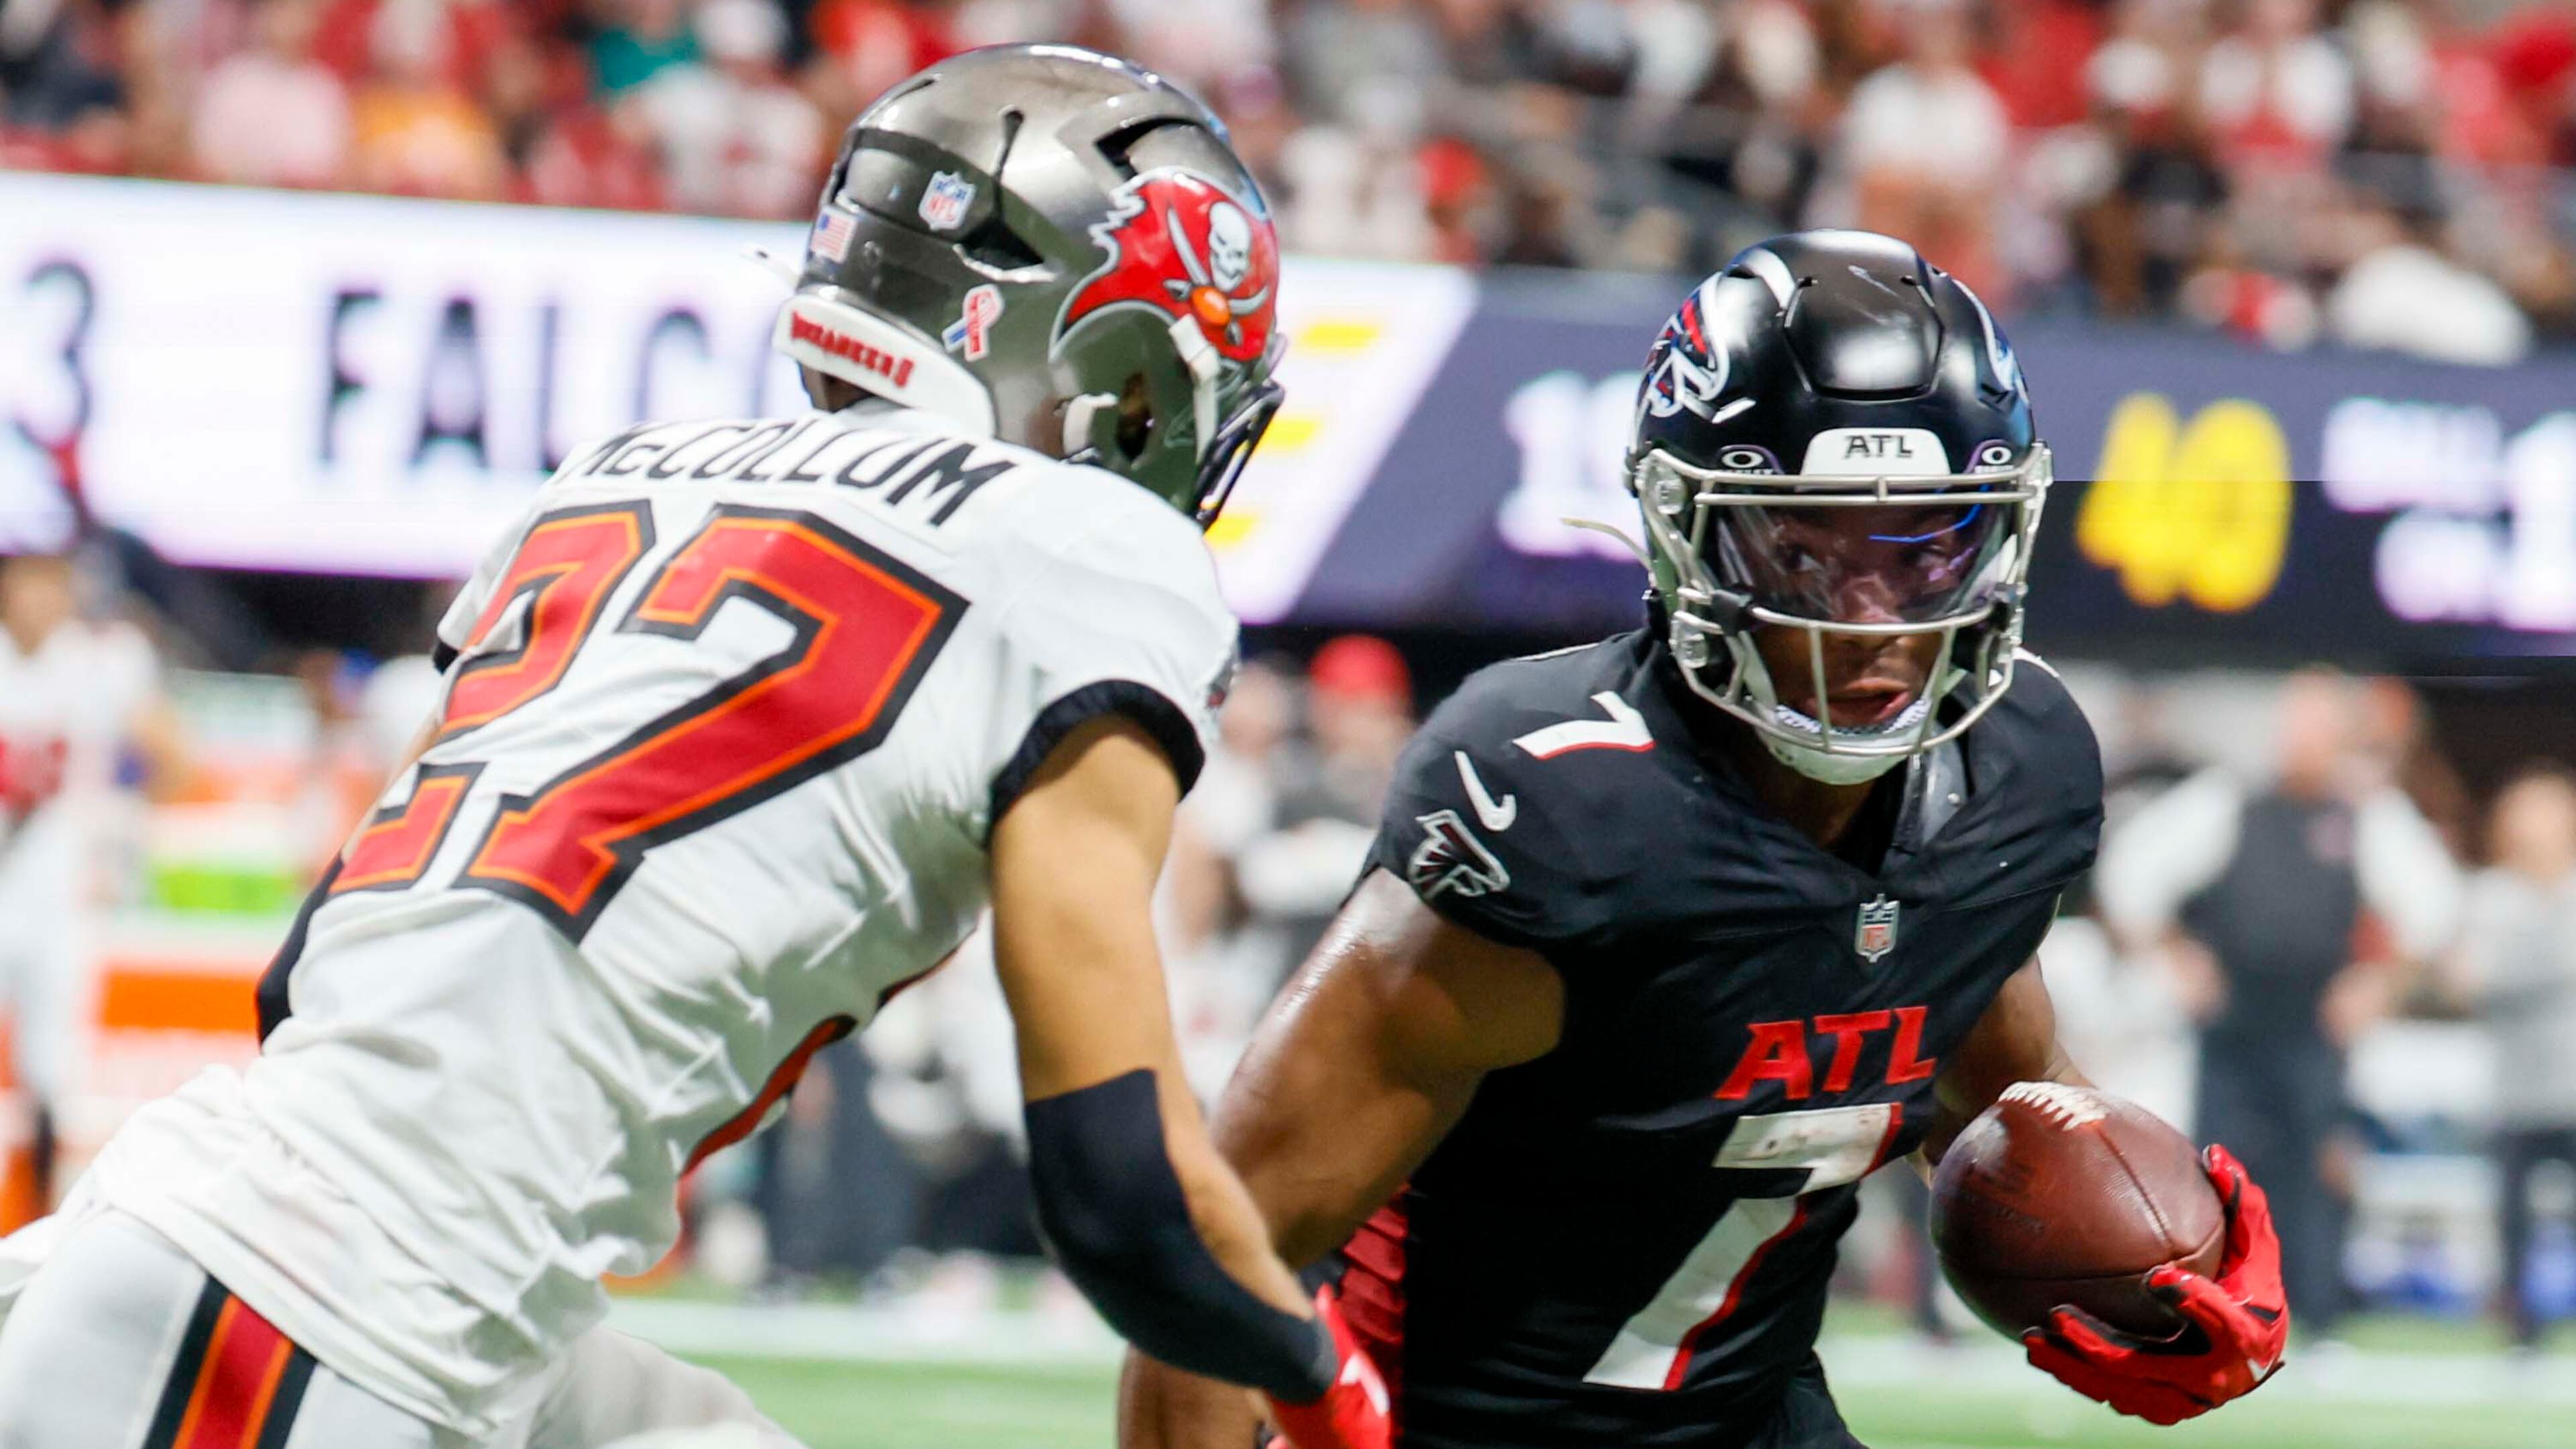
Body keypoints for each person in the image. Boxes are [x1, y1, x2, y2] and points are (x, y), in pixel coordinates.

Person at [0, 46, 1390, 1449]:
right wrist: (1337, 1391)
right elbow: (1122, 1190)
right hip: (303, 1315)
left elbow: (309, 976)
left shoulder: (620, 473)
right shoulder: (1091, 559)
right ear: (1103, 355)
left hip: (269, 1261)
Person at [1120, 231, 2289, 1449]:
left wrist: (2156, 1269)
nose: (1872, 621)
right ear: (1686, 533)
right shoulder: (1572, 816)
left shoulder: (2012, 774)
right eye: (1806, 550)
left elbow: (1994, 1086)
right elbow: (1218, 1249)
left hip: (1747, 1412)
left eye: (1926, 544)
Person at [2096, 669, 2458, 1338]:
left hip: (2316, 1026)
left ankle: (2313, 1321)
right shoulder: (2228, 801)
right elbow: (2131, 876)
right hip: (2233, 1021)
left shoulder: (2366, 814)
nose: (2300, 742)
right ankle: (2210, 1318)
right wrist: (2174, 956)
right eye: (2293, 726)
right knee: (2220, 1178)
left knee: (2316, 1174)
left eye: (2317, 728)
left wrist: (2379, 982)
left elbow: (2432, 907)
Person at [2448, 765, 2576, 1350]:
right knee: (2513, 1218)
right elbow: (2470, 979)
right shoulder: (2491, 894)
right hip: (2516, 1089)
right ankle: (2520, 1328)